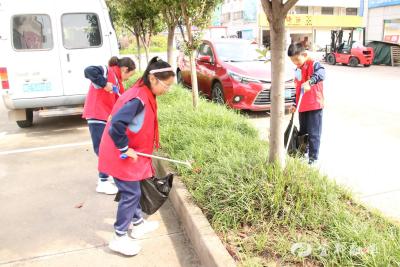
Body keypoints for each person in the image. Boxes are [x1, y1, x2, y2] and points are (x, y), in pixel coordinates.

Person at [97, 57, 175, 256]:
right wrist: (124, 149)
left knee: (133, 190)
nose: (168, 90)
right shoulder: (138, 99)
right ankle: (119, 237)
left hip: (127, 152)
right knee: (131, 194)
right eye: (166, 85)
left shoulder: (144, 92)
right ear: (153, 79)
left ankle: (138, 223)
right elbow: (116, 126)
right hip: (119, 153)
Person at [82, 56, 136, 194]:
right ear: (124, 69)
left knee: (109, 148)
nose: (128, 78)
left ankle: (108, 176)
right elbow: (88, 71)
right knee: (102, 149)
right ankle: (103, 182)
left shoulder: (118, 82)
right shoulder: (107, 71)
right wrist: (104, 83)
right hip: (97, 115)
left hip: (106, 117)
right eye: (130, 75)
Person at [287, 43, 325, 165]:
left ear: (304, 55)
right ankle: (303, 153)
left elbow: (322, 73)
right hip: (302, 106)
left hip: (314, 105)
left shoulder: (314, 64)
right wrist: (294, 103)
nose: (295, 63)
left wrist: (311, 81)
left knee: (314, 133)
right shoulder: (297, 69)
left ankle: (313, 159)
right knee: (303, 133)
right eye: (292, 61)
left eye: (297, 59)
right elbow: (297, 88)